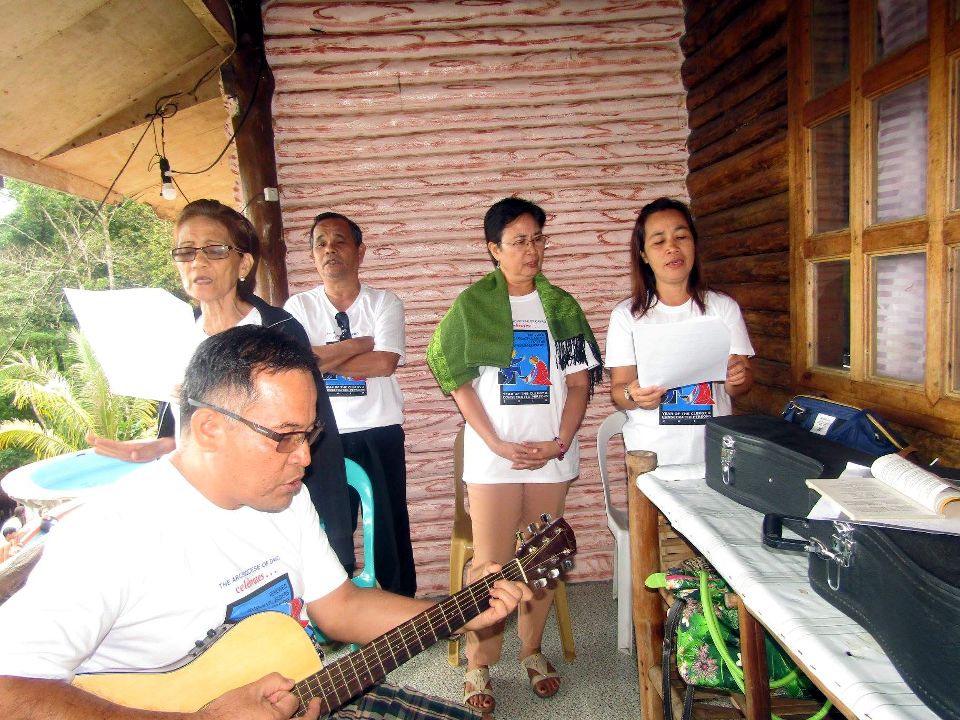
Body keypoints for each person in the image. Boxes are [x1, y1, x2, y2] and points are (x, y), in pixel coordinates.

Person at [0, 325, 530, 720]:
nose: (304, 458)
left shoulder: (285, 499)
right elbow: (10, 690)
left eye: (310, 435)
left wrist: (460, 613)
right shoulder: (112, 535)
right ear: (208, 428)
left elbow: (340, 608)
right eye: (283, 436)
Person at [86, 200, 355, 573]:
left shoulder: (277, 329)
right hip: (204, 508)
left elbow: (309, 428)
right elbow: (192, 433)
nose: (197, 263)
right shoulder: (176, 335)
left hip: (270, 499)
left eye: (214, 250)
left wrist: (333, 523)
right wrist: (154, 447)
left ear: (243, 264)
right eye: (185, 252)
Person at [427, 197, 602, 712]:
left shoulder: (562, 307)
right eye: (519, 240)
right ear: (494, 250)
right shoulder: (472, 307)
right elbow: (458, 383)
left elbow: (578, 385)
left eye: (538, 238)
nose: (532, 249)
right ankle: (481, 663)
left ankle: (531, 650)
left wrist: (561, 441)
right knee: (490, 565)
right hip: (492, 459)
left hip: (552, 455)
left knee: (543, 561)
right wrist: (497, 444)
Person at [284, 212, 415, 597]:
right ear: (312, 255)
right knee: (327, 528)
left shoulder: (384, 302)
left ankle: (399, 609)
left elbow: (385, 362)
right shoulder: (298, 308)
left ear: (359, 252)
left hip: (380, 430)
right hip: (321, 434)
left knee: (389, 526)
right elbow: (298, 365)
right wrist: (357, 344)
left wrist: (319, 357)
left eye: (339, 241)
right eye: (320, 243)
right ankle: (329, 611)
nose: (329, 249)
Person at [606, 197, 754, 463]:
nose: (672, 248)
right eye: (659, 241)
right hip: (651, 455)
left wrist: (738, 378)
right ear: (644, 255)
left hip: (714, 453)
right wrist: (634, 395)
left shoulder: (722, 308)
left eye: (681, 237)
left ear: (694, 244)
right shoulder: (626, 316)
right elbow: (619, 391)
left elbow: (739, 387)